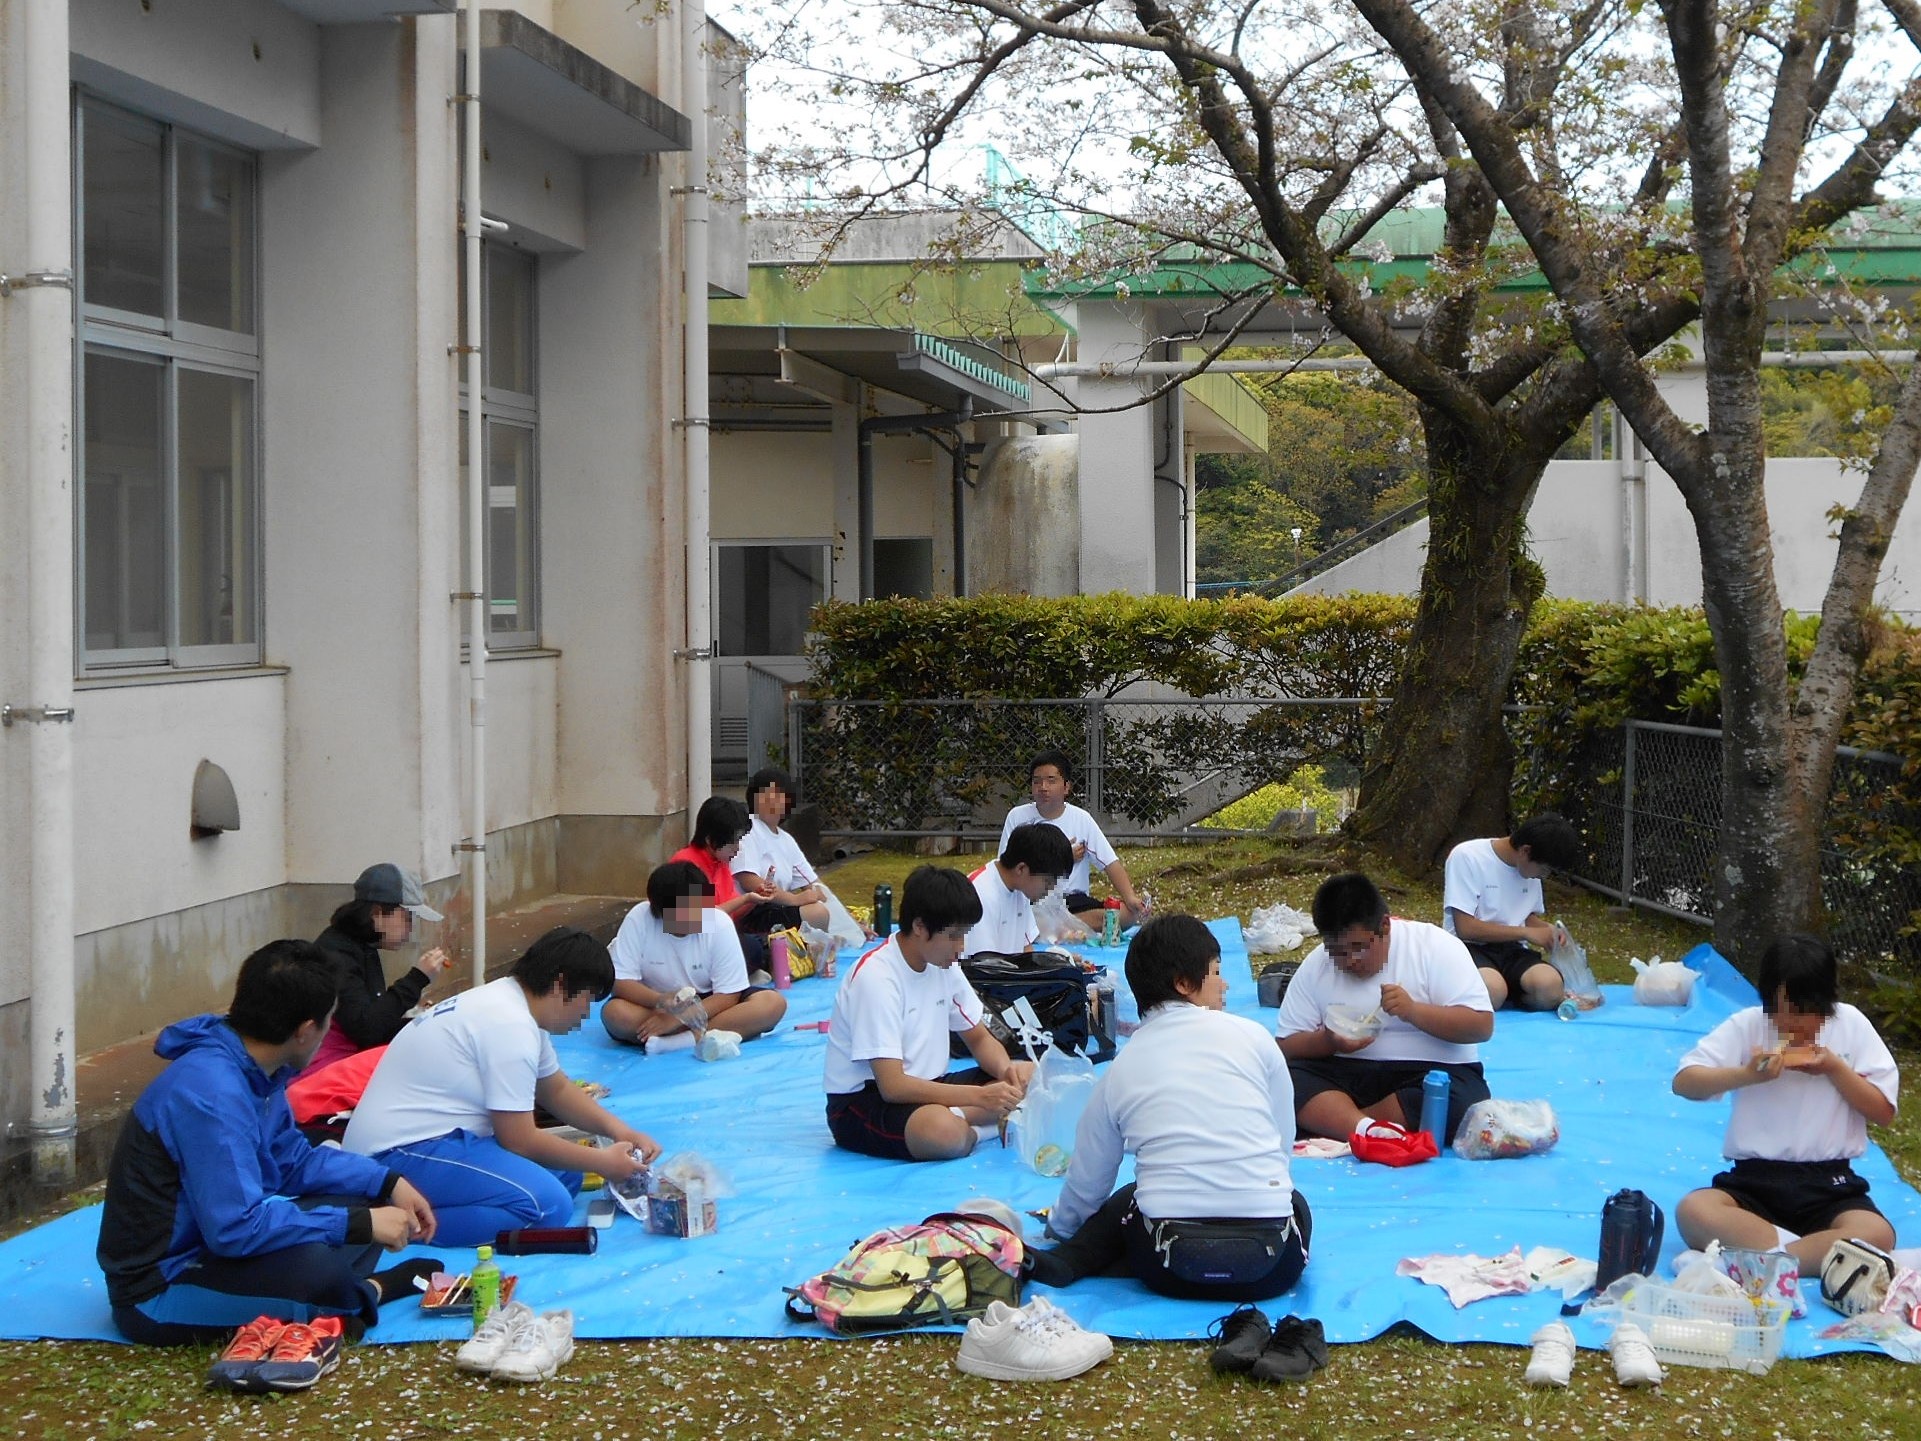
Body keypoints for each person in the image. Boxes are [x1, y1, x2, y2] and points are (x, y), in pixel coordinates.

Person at [96, 939, 441, 1345]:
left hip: (213, 1249)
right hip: (161, 1288)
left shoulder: (257, 1067)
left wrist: (387, 1181)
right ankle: (368, 1292)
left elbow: (292, 1162)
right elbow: (235, 1228)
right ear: (305, 1030)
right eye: (330, 1021)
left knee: (364, 1202)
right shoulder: (211, 1094)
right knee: (324, 1266)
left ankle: (340, 1288)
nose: (330, 1031)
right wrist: (356, 1225)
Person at [1023, 915, 1310, 1302]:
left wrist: (1060, 1227)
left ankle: (1071, 1260)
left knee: (1129, 1197)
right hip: (1271, 1271)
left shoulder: (1123, 1067)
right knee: (1295, 1204)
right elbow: (1281, 1145)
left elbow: (1089, 1182)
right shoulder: (1256, 1038)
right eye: (1216, 972)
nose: (1225, 984)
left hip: (1168, 1269)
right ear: (1184, 984)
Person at [343, 926, 661, 1246]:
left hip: (441, 1140)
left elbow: (556, 1090)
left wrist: (620, 1131)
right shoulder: (509, 1024)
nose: (585, 1014)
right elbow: (519, 1140)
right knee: (549, 1206)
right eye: (586, 1000)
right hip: (397, 1153)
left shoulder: (512, 1004)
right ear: (560, 984)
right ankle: (384, 1221)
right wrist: (604, 1163)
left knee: (566, 1176)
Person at [1672, 932, 1898, 1274]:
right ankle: (1800, 1258)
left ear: (1826, 1002)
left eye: (1806, 1012)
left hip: (1830, 1185)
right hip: (1754, 1183)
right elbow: (1685, 1082)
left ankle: (1769, 1261)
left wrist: (1835, 1069)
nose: (1793, 1024)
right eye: (1783, 1011)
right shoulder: (1749, 1024)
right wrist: (1747, 1075)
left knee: (1877, 1234)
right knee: (1694, 1209)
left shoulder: (1851, 1025)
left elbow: (1883, 1111)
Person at [824, 865, 1035, 1161]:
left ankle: (971, 1115)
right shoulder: (877, 978)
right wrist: (981, 1097)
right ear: (920, 927)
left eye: (964, 936)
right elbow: (893, 1087)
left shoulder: (943, 965)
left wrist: (1005, 1072)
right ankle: (977, 1127)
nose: (960, 948)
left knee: (1030, 1076)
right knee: (943, 1132)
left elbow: (977, 1037)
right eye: (953, 936)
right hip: (864, 1102)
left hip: (931, 1086)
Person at [1277, 872, 1495, 1144]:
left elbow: (1481, 1026)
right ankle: (1370, 1131)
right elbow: (1285, 1045)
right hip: (1345, 1072)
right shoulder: (1317, 964)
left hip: (1429, 1071)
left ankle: (1346, 1126)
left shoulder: (1435, 946)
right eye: (1337, 953)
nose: (1348, 962)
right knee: (1284, 1080)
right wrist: (1329, 1041)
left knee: (1459, 1099)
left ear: (1385, 926)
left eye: (1358, 948)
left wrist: (1413, 1011)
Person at [601, 861, 788, 1045]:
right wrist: (659, 1000)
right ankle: (704, 1035)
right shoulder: (639, 918)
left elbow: (728, 994)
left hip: (709, 1002)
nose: (697, 917)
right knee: (615, 1013)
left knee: (772, 1003)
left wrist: (680, 1019)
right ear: (661, 911)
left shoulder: (719, 922)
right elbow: (620, 981)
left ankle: (681, 1040)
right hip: (657, 1004)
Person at [301, 862, 452, 1078]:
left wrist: (425, 1021)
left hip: (349, 1056)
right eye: (407, 918)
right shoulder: (336, 955)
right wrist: (417, 978)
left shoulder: (361, 944)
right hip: (326, 1071)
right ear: (378, 914)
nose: (410, 928)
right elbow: (367, 1029)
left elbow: (374, 1018)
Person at [1442, 814, 1583, 1011]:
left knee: (1551, 988)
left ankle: (1509, 992)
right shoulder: (1468, 856)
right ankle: (1496, 989)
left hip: (1512, 949)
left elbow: (1527, 918)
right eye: (1543, 870)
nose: (1543, 876)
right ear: (1525, 851)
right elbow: (1465, 928)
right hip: (1468, 947)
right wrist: (1526, 933)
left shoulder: (1529, 869)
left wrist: (1550, 931)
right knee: (1491, 990)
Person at [999, 749, 1148, 926]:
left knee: (1126, 915)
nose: (1043, 787)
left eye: (1051, 781)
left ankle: (1055, 925)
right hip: (1032, 899)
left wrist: (1130, 898)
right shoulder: (1017, 817)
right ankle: (1051, 926)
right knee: (1020, 914)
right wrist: (1063, 857)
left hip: (1074, 902)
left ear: (1066, 786)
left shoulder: (1081, 818)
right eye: (1037, 782)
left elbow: (1110, 862)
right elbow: (1007, 864)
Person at [673, 796, 799, 942]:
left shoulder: (720, 863)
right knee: (754, 946)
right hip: (695, 943)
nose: (738, 848)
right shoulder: (688, 865)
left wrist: (756, 897)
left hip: (720, 936)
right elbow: (695, 921)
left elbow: (732, 912)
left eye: (739, 841)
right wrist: (745, 898)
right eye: (733, 842)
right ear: (710, 839)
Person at [732, 768, 831, 932]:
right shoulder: (747, 828)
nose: (771, 801)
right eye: (764, 794)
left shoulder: (786, 840)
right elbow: (749, 881)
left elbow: (814, 886)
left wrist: (851, 923)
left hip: (776, 908)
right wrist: (794, 899)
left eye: (778, 795)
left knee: (821, 908)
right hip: (751, 911)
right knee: (817, 913)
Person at [965, 821, 1075, 956]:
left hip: (1006, 972)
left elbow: (1025, 950)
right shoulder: (979, 894)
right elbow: (982, 966)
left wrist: (1056, 965)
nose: (1050, 890)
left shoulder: (1021, 888)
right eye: (1047, 882)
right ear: (1021, 868)